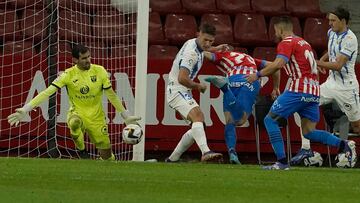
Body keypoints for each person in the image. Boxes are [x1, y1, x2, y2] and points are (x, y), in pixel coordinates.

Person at [246, 16, 357, 170]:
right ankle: (344, 145)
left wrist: (257, 75)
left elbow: (279, 64)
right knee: (308, 131)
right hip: (313, 90)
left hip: (298, 89)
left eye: (275, 31)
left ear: (280, 30)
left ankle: (282, 162)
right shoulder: (304, 43)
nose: (275, 34)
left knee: (270, 120)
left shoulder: (286, 42)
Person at [7, 44, 141, 160]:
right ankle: (81, 150)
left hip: (97, 118)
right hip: (77, 112)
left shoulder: (100, 71)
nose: (88, 60)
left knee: (107, 156)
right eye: (84, 58)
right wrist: (26, 109)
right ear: (75, 60)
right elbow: (47, 92)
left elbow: (112, 95)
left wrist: (126, 115)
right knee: (74, 123)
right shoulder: (68, 75)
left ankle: (107, 160)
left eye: (89, 57)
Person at [291, 7, 360, 167]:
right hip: (330, 84)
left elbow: (338, 65)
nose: (330, 23)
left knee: (357, 127)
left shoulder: (350, 39)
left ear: (343, 21)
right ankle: (306, 149)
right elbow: (332, 51)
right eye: (329, 20)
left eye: (333, 20)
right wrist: (323, 58)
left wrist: (316, 62)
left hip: (346, 88)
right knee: (306, 103)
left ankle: (350, 147)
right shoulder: (331, 33)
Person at [203, 49, 277, 164]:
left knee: (230, 121)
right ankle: (224, 88)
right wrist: (276, 87)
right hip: (249, 80)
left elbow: (202, 52)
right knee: (241, 120)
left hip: (231, 79)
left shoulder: (223, 55)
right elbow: (274, 67)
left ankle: (232, 152)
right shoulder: (250, 58)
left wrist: (215, 49)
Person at [165, 23, 226, 162]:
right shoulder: (191, 54)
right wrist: (198, 86)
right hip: (177, 89)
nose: (208, 43)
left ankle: (172, 159)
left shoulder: (194, 43)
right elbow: (182, 78)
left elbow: (203, 50)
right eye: (205, 40)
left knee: (198, 126)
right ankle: (205, 152)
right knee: (198, 116)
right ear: (198, 34)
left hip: (179, 89)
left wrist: (216, 49)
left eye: (211, 41)